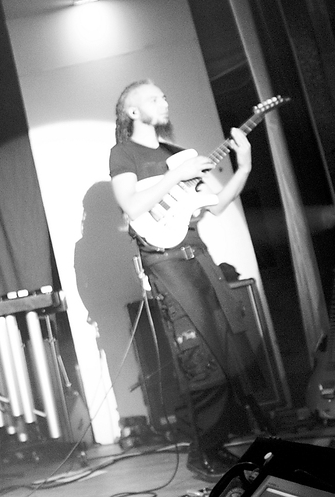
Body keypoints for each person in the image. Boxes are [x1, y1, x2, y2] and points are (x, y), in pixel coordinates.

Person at [108, 79, 257, 482]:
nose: (165, 100)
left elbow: (220, 202)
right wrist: (178, 176)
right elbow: (132, 205)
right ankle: (200, 452)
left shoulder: (180, 152)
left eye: (165, 94)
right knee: (199, 359)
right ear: (133, 112)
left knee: (225, 349)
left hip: (199, 254)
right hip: (166, 261)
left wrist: (242, 166)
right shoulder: (123, 154)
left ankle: (216, 445)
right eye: (154, 97)